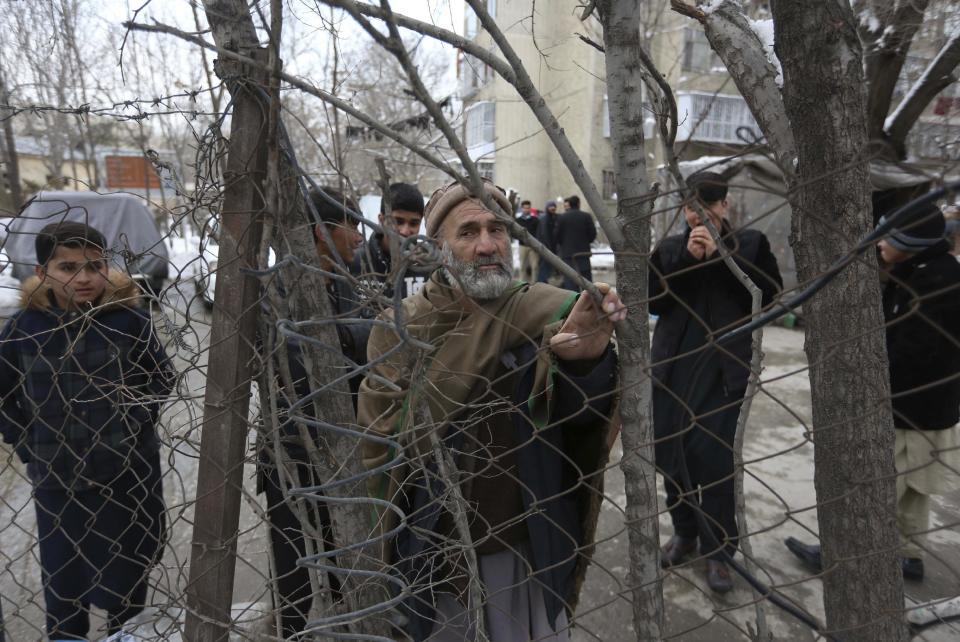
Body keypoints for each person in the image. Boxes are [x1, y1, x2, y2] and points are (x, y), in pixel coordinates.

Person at [358, 178, 626, 641]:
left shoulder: (548, 315)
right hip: (431, 551)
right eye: (468, 232)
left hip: (522, 547)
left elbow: (580, 424)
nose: (487, 245)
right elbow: (381, 451)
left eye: (497, 229)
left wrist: (586, 363)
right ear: (439, 247)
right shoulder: (400, 330)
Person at [0, 222, 172, 639]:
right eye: (68, 267)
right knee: (64, 589)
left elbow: (160, 378)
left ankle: (125, 634)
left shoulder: (127, 320)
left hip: (127, 479)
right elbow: (5, 399)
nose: (84, 278)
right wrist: (30, 447)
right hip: (59, 484)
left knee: (129, 582)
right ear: (42, 273)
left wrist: (131, 425)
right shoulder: (23, 331)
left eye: (94, 266)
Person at [786, 203, 960, 581]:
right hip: (929, 408)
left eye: (889, 239)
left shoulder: (937, 281)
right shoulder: (920, 271)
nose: (879, 244)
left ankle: (844, 553)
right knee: (910, 490)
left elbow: (914, 350)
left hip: (910, 409)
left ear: (911, 243)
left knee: (878, 486)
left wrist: (866, 380)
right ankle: (907, 556)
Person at [650, 172, 782, 593]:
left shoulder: (752, 243)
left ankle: (720, 553)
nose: (699, 216)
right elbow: (653, 300)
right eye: (691, 208)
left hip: (724, 372)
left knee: (716, 464)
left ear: (724, 206)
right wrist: (688, 261)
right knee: (673, 458)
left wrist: (722, 258)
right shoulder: (670, 248)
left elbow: (770, 293)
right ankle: (685, 532)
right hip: (673, 369)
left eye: (707, 207)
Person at [258, 186, 372, 637]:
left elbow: (369, 345)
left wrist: (348, 338)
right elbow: (293, 365)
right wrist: (353, 340)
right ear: (320, 232)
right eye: (352, 226)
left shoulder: (346, 281)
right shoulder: (275, 289)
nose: (361, 237)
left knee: (348, 554)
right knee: (294, 564)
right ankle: (290, 627)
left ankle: (346, 623)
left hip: (347, 449)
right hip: (294, 452)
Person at [351, 182, 429, 301]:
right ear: (381, 220)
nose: (405, 231)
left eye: (414, 223)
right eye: (398, 221)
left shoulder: (428, 265)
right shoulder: (355, 262)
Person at [556, 195, 597, 290]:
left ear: (569, 205)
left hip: (568, 255)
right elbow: (592, 233)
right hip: (583, 253)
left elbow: (557, 235)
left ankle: (573, 303)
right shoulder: (586, 216)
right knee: (586, 283)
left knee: (570, 280)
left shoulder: (562, 217)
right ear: (579, 204)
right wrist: (586, 241)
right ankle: (587, 302)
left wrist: (564, 244)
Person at [516, 199, 540, 282]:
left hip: (533, 246)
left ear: (530, 208)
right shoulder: (518, 220)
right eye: (525, 208)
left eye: (528, 208)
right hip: (522, 246)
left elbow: (539, 232)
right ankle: (522, 283)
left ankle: (534, 285)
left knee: (535, 266)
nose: (527, 210)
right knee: (522, 266)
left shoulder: (535, 220)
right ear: (522, 208)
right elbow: (515, 233)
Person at [536, 199, 560, 283]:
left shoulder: (555, 217)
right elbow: (545, 234)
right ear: (547, 207)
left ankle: (544, 281)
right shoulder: (545, 219)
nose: (552, 208)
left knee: (548, 266)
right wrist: (550, 247)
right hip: (546, 247)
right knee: (544, 266)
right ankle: (542, 282)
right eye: (550, 206)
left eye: (554, 206)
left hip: (551, 246)